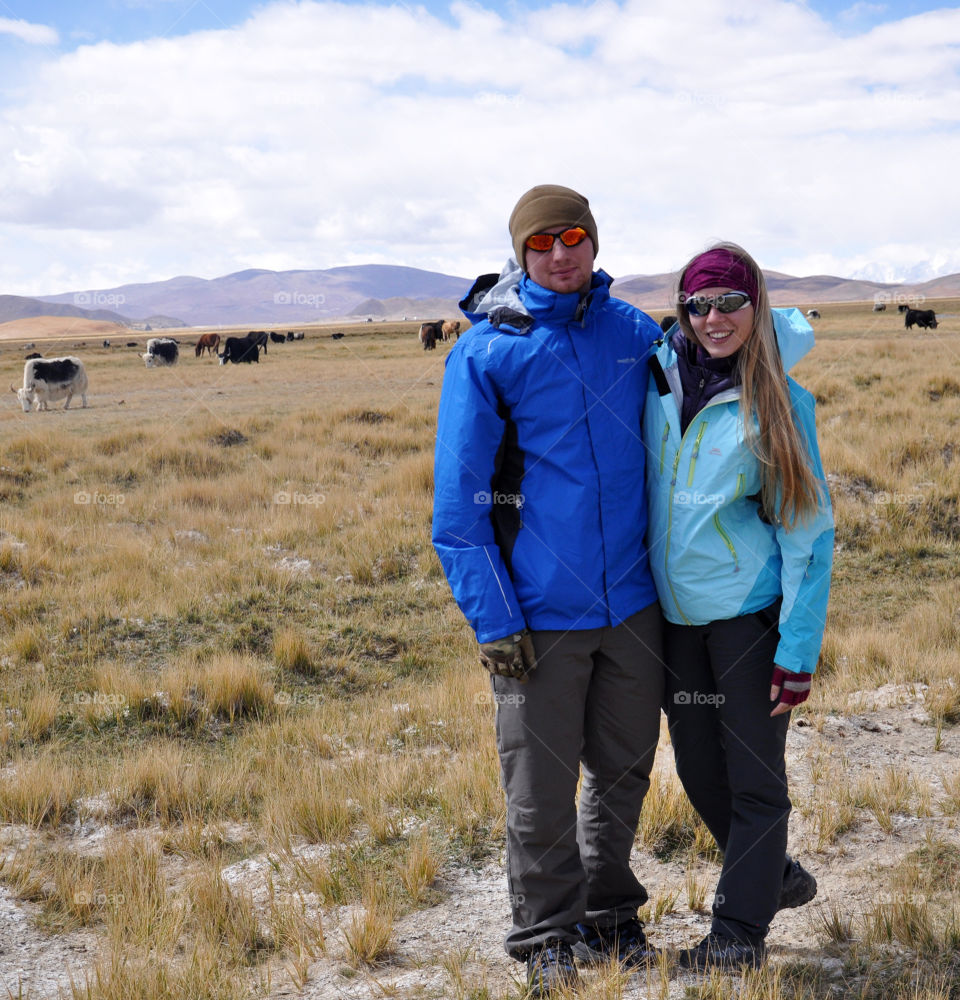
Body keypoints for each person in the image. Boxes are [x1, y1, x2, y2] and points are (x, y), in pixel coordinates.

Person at [432, 185, 665, 996]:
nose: (561, 254)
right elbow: (458, 513)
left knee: (625, 771)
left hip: (634, 606)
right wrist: (494, 620)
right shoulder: (489, 352)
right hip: (537, 617)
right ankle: (546, 935)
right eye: (542, 243)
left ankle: (608, 913)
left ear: (594, 244)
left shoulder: (635, 334)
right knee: (538, 788)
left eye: (574, 238)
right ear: (520, 253)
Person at [643, 243, 834, 969]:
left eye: (729, 301)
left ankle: (737, 936)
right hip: (676, 619)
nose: (714, 318)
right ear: (682, 311)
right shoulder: (658, 379)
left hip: (747, 621)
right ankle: (773, 875)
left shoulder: (780, 402)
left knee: (755, 778)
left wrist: (796, 648)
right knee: (697, 768)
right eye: (699, 304)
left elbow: (809, 536)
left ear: (754, 303)